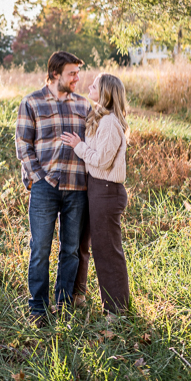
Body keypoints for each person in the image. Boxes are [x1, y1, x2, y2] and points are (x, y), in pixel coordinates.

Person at [15, 51, 90, 327]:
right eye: (72, 73)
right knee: (40, 249)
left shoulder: (84, 106)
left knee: (70, 249)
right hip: (44, 188)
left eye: (78, 73)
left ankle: (64, 303)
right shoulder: (32, 102)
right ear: (55, 73)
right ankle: (38, 308)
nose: (77, 78)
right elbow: (23, 144)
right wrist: (38, 178)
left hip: (76, 187)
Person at [61, 73, 131, 314]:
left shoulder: (110, 122)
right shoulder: (99, 118)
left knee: (107, 251)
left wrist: (77, 146)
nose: (88, 87)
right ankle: (77, 295)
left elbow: (101, 160)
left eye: (94, 86)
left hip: (107, 191)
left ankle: (117, 310)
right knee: (83, 243)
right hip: (94, 188)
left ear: (105, 93)